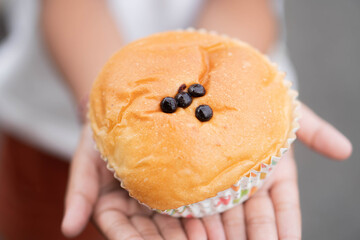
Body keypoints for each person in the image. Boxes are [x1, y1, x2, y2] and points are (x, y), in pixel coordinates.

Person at [0, 0, 352, 239]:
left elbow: (245, 6)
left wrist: (233, 74)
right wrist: (101, 105)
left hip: (244, 68)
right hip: (48, 125)